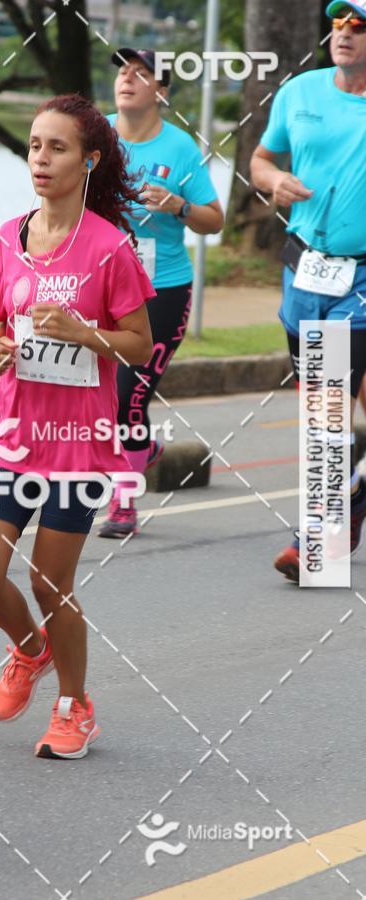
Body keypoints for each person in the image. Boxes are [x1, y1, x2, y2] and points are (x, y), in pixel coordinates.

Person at [0, 94, 155, 759]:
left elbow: (137, 344)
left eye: (57, 148)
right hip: (13, 431)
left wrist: (84, 332)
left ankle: (75, 706)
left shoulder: (110, 249)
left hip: (77, 443)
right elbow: (0, 326)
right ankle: (29, 649)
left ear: (88, 160)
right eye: (35, 146)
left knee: (50, 582)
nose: (40, 159)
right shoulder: (8, 238)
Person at [250, 0, 366, 583]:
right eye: (339, 22)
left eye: (360, 25)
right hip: (305, 269)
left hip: (364, 275)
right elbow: (262, 157)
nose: (344, 33)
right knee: (326, 413)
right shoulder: (300, 93)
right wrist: (273, 181)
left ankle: (315, 538)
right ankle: (346, 511)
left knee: (330, 408)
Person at [99, 48, 224, 538]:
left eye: (142, 74)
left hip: (164, 289)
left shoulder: (180, 149)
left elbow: (214, 221)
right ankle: (142, 450)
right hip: (107, 285)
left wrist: (177, 205)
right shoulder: (97, 136)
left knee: (130, 395)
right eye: (123, 72)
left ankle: (123, 504)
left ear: (162, 92)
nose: (127, 79)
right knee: (109, 393)